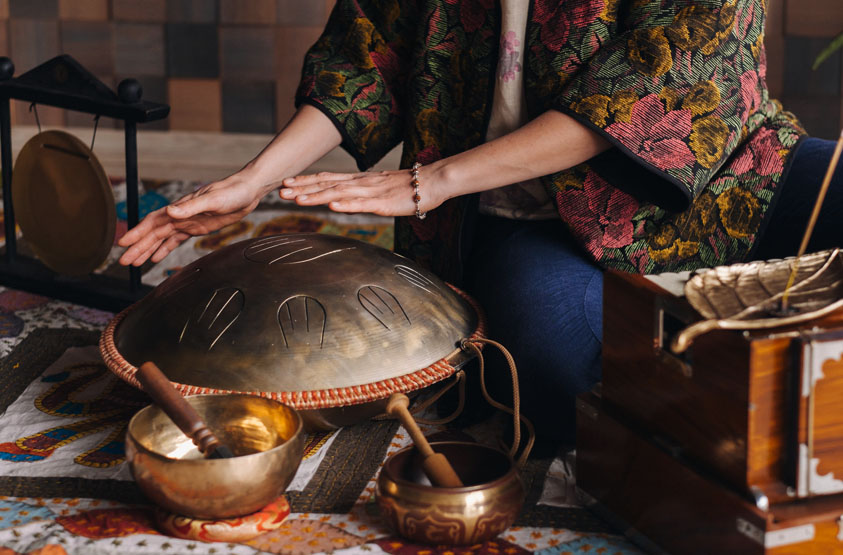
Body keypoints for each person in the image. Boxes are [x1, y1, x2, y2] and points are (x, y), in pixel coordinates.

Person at [119, 0, 842, 443]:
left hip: (732, 181)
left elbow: (651, 90)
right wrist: (254, 179)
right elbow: (365, 55)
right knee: (558, 372)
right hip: (537, 221)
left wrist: (430, 179)